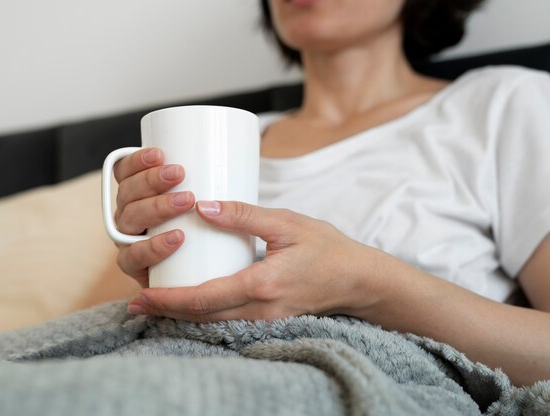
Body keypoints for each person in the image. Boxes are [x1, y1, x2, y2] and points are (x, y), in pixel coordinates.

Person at [112, 0, 550, 386]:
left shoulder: (501, 104)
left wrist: (367, 285)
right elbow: (104, 322)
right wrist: (149, 262)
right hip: (161, 372)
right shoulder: (215, 142)